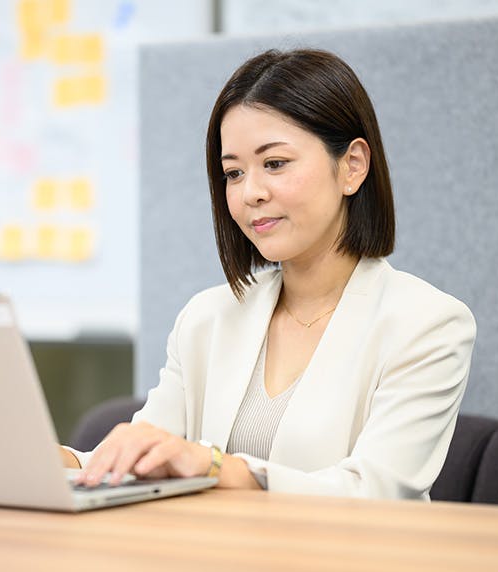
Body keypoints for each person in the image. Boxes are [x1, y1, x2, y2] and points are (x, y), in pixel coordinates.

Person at [62, 48, 476, 499]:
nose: (250, 193)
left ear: (352, 166)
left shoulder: (428, 323)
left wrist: (216, 467)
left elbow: (374, 492)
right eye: (233, 173)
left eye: (275, 164)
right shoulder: (207, 317)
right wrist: (54, 461)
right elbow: (139, 456)